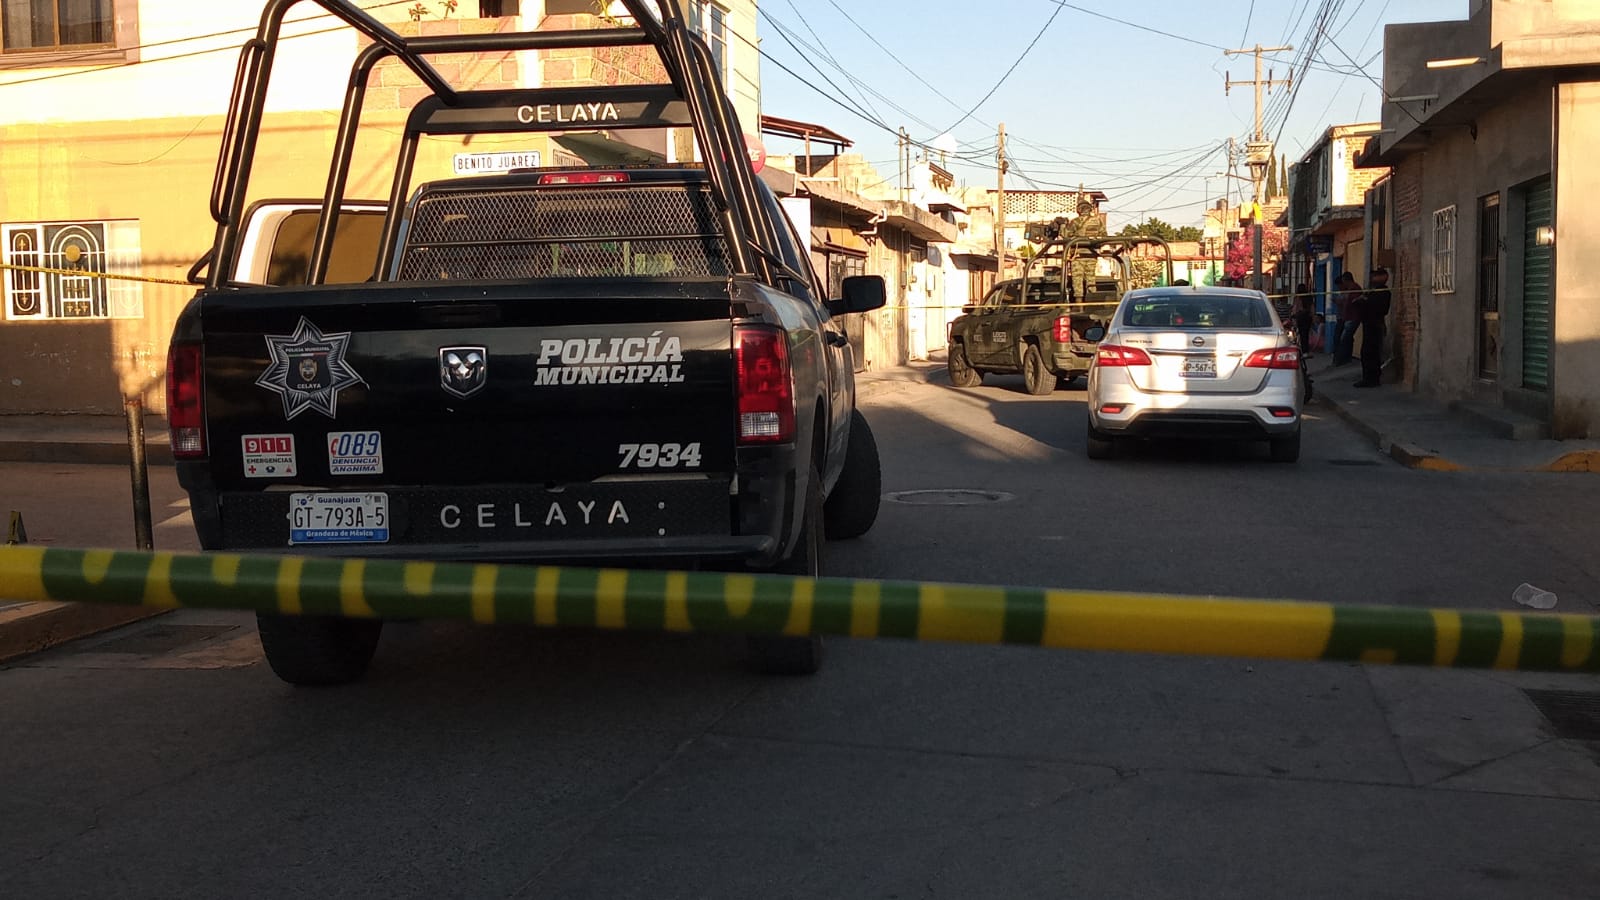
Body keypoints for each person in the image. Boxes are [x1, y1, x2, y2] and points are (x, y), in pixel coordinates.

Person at [1355, 267, 1392, 388]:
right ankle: (1369, 378)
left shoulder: (1383, 292)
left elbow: (1381, 309)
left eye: (1375, 276)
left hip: (1375, 325)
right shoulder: (1373, 292)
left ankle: (1371, 379)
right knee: (1368, 352)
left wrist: (1365, 301)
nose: (1372, 278)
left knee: (1370, 352)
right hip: (1369, 324)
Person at [1331, 272, 1362, 366]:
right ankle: (1343, 359)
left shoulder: (1354, 289)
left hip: (1352, 317)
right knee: (1345, 338)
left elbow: (1351, 303)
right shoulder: (1350, 290)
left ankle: (1341, 360)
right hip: (1347, 317)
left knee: (1343, 339)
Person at [1290, 284, 1315, 357]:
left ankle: (1304, 351)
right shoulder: (1309, 297)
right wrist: (1313, 317)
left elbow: (1295, 308)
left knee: (1302, 334)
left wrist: (1293, 317)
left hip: (1300, 317)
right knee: (1306, 334)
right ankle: (1306, 350)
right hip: (1308, 317)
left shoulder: (1297, 297)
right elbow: (1312, 308)